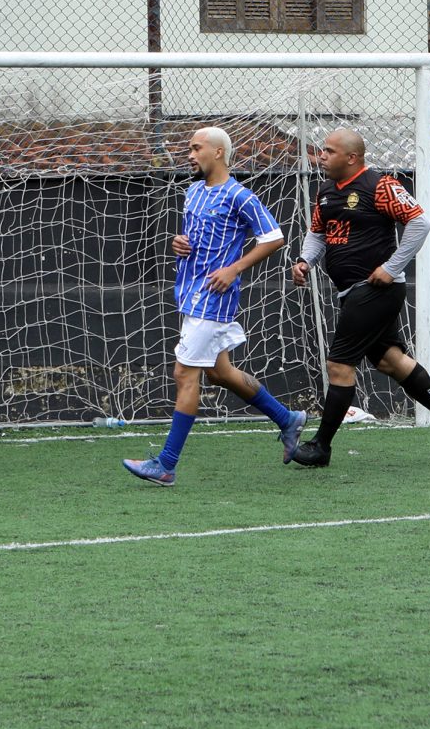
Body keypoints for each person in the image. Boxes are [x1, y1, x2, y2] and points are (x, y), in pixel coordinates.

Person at [123, 126, 305, 486]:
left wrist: (234, 268)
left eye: (195, 148)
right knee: (219, 372)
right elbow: (194, 237)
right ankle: (288, 419)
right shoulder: (192, 191)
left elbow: (274, 237)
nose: (189, 154)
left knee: (184, 374)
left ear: (218, 152)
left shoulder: (239, 195)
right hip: (189, 291)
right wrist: (179, 242)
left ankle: (166, 464)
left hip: (213, 296)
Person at [287, 126, 430, 465]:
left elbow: (419, 223)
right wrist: (304, 260)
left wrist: (391, 266)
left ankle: (321, 447)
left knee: (339, 364)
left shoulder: (380, 185)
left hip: (374, 290)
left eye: (329, 151)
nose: (322, 156)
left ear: (352, 157)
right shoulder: (326, 191)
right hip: (351, 291)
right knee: (389, 360)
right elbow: (317, 234)